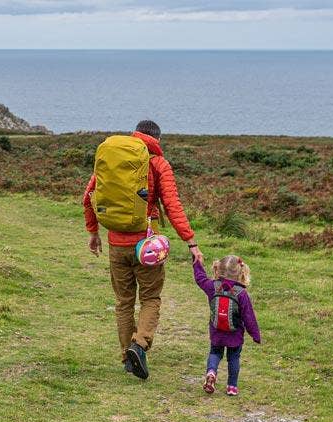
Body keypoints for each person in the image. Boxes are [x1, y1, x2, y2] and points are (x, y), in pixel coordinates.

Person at [82, 120, 203, 380]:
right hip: (148, 245)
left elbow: (88, 197)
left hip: (116, 242)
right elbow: (172, 205)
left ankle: (128, 357)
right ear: (158, 139)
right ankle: (140, 345)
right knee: (150, 298)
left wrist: (93, 232)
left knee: (124, 302)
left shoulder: (115, 159)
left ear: (135, 134)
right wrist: (191, 241)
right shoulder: (159, 164)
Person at [193, 255, 260, 395]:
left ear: (218, 269)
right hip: (235, 334)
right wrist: (255, 334)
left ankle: (211, 372)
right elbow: (249, 317)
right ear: (241, 272)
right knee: (234, 358)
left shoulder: (213, 286)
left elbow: (200, 279)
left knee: (215, 353)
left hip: (216, 330)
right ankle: (232, 387)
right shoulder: (241, 294)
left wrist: (197, 263)